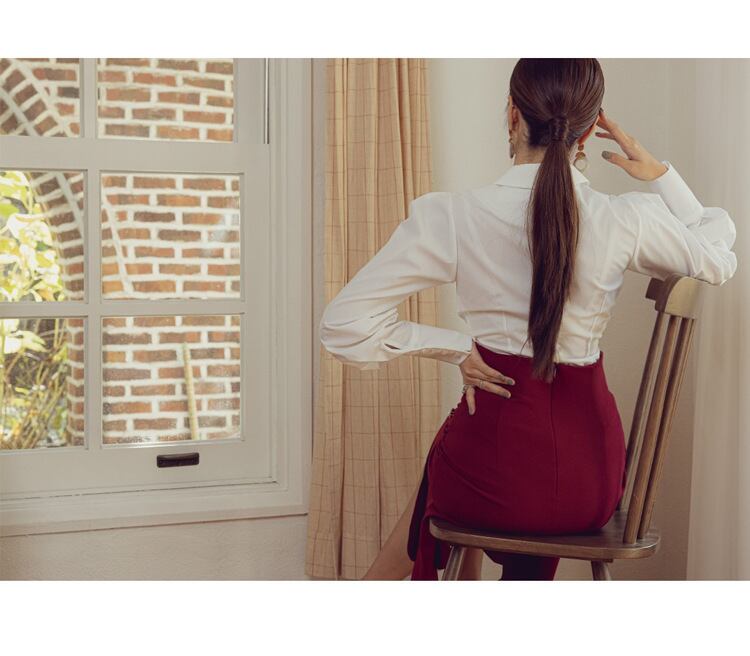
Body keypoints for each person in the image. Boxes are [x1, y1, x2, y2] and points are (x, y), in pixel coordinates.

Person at [318, 59, 738, 580]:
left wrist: (456, 348)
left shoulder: (454, 216)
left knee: (452, 452)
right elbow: (719, 255)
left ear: (513, 114)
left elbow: (343, 324)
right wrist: (662, 177)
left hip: (496, 469)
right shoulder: (625, 218)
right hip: (591, 484)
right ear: (589, 129)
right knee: (459, 450)